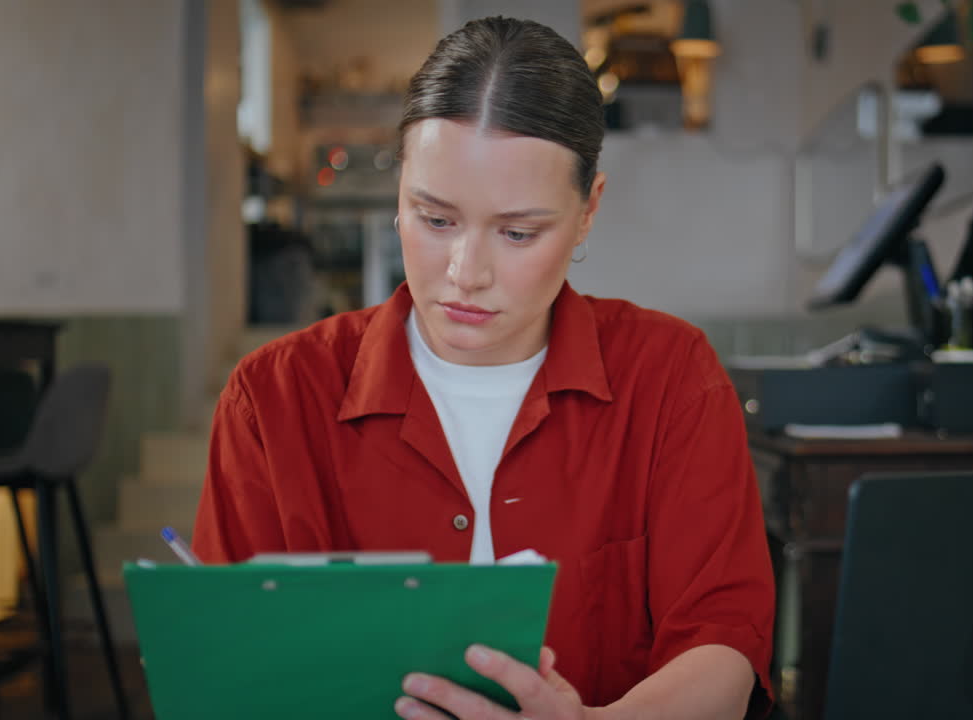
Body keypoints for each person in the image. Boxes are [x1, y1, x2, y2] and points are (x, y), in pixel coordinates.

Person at [192, 16, 774, 720]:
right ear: (401, 188)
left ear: (588, 211)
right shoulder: (274, 399)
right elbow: (228, 669)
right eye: (434, 219)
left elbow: (722, 647)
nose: (466, 274)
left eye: (518, 232)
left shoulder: (669, 377)